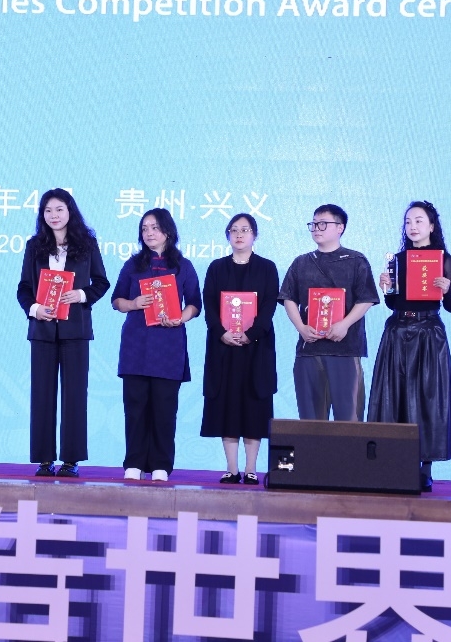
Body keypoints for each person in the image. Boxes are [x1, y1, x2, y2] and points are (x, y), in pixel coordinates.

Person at [16, 189, 111, 478]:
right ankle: (44, 459)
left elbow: (102, 282)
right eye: (48, 210)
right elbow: (24, 288)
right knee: (42, 395)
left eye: (59, 209)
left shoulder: (86, 244)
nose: (53, 215)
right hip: (42, 330)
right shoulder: (35, 246)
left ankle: (71, 460)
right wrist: (35, 309)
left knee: (74, 396)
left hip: (75, 330)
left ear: (70, 211)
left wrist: (80, 294)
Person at [368, 201, 451, 491]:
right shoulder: (397, 260)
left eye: (419, 221)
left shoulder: (444, 260)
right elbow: (393, 303)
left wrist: (447, 290)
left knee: (427, 398)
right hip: (397, 331)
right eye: (408, 221)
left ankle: (425, 467)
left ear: (432, 226)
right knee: (393, 396)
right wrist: (387, 288)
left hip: (428, 333)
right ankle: (395, 464)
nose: (413, 226)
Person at [111, 208, 200, 482]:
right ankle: (134, 462)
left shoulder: (183, 266)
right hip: (136, 344)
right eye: (144, 228)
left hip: (169, 345)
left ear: (168, 231)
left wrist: (181, 317)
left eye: (155, 227)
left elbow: (195, 303)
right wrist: (133, 303)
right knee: (135, 407)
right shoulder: (133, 264)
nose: (149, 233)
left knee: (164, 408)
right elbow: (116, 300)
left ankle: (161, 464)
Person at [278, 204, 380, 422]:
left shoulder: (356, 260)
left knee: (349, 421)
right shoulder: (301, 262)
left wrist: (344, 324)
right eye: (314, 224)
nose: (316, 228)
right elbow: (288, 298)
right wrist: (301, 328)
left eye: (323, 224)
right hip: (309, 350)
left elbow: (366, 299)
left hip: (345, 349)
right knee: (310, 422)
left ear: (340, 227)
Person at [200, 213, 279, 486]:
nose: (239, 235)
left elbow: (269, 307)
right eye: (234, 230)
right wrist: (222, 333)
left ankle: (251, 469)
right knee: (227, 406)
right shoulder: (216, 268)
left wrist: (250, 335)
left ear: (254, 235)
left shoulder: (267, 268)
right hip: (223, 349)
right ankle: (232, 469)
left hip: (256, 348)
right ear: (228, 236)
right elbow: (209, 305)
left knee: (254, 406)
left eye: (245, 230)